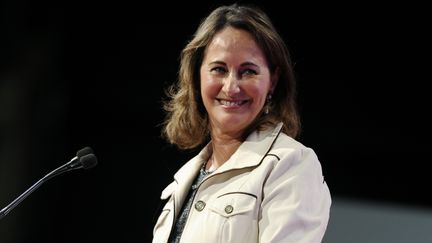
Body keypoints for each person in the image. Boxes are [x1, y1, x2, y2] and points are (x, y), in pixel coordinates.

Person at [152, 3, 331, 243]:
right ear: (197, 77)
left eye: (248, 72)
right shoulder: (185, 179)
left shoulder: (291, 165)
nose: (231, 87)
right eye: (219, 69)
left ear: (273, 81)